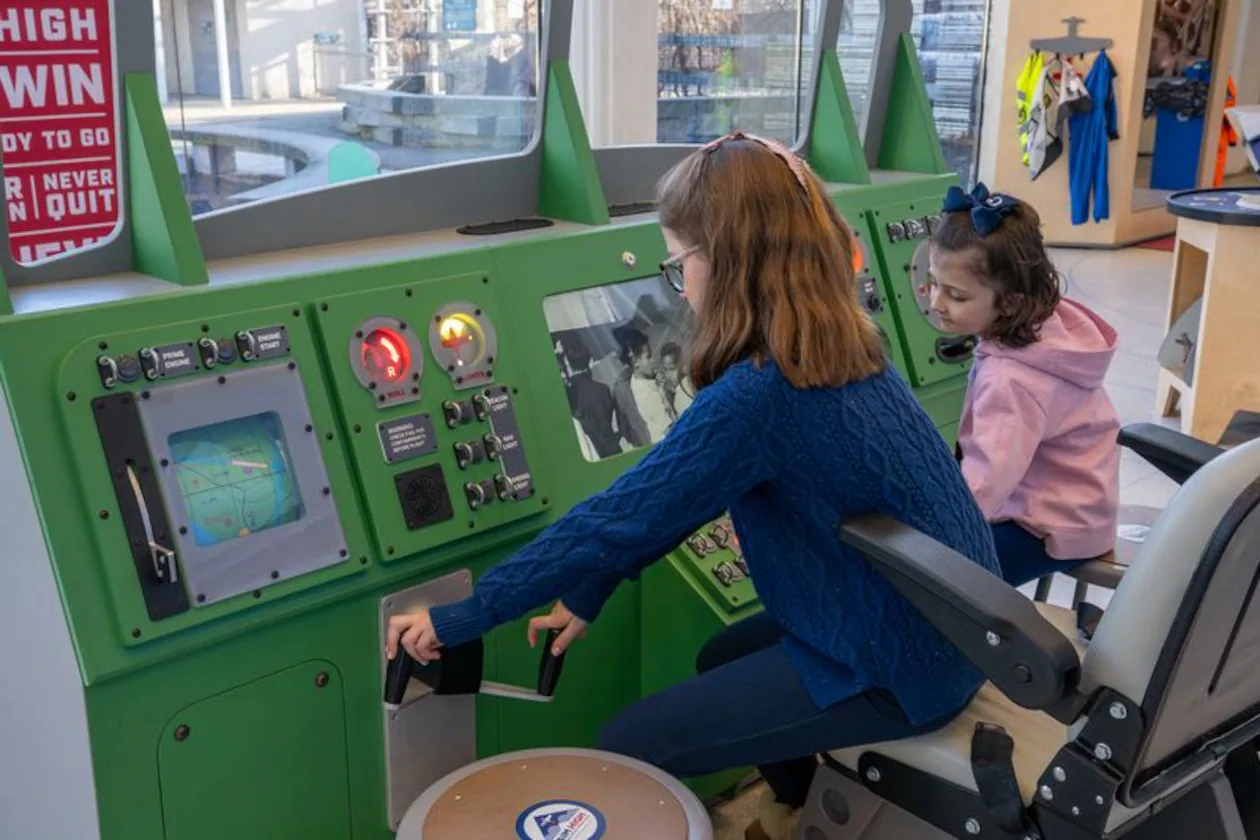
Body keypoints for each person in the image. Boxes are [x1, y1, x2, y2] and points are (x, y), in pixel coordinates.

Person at [385, 133, 1000, 840]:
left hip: (902, 666)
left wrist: (458, 617)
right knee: (718, 658)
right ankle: (798, 810)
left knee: (627, 748)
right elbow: (665, 508)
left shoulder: (759, 395)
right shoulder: (842, 341)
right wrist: (587, 592)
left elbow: (614, 520)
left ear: (730, 263)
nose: (682, 284)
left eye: (681, 262)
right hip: (941, 624)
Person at [928, 183, 1120, 588]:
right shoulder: (1046, 328)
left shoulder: (1011, 381)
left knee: (936, 584)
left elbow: (987, 481)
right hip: (1083, 507)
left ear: (1010, 303)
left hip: (1046, 529)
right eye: (933, 284)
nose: (936, 303)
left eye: (956, 295)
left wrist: (933, 531)